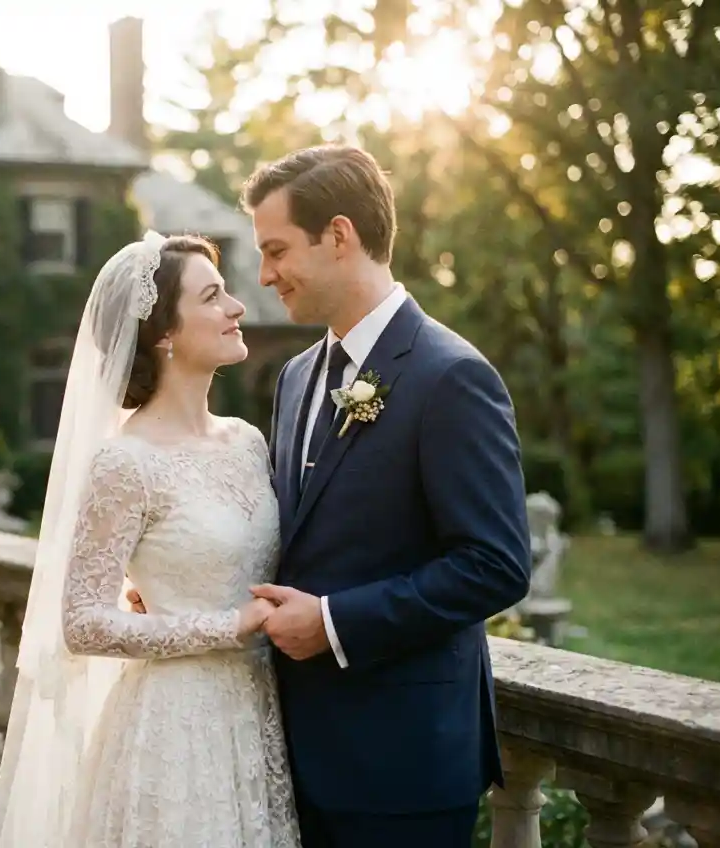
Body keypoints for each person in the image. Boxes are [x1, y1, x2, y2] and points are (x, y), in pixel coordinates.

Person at [238, 144, 531, 847]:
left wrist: (335, 623)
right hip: (292, 757)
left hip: (406, 767)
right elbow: (297, 537)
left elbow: (495, 564)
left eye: (276, 250)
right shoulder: (297, 377)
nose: (264, 275)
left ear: (339, 236)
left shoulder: (452, 376)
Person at [0, 231, 301, 848]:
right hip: (174, 731)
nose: (237, 308)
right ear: (163, 334)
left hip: (259, 716)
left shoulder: (247, 441)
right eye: (213, 296)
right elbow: (82, 623)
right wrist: (226, 626)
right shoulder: (124, 463)